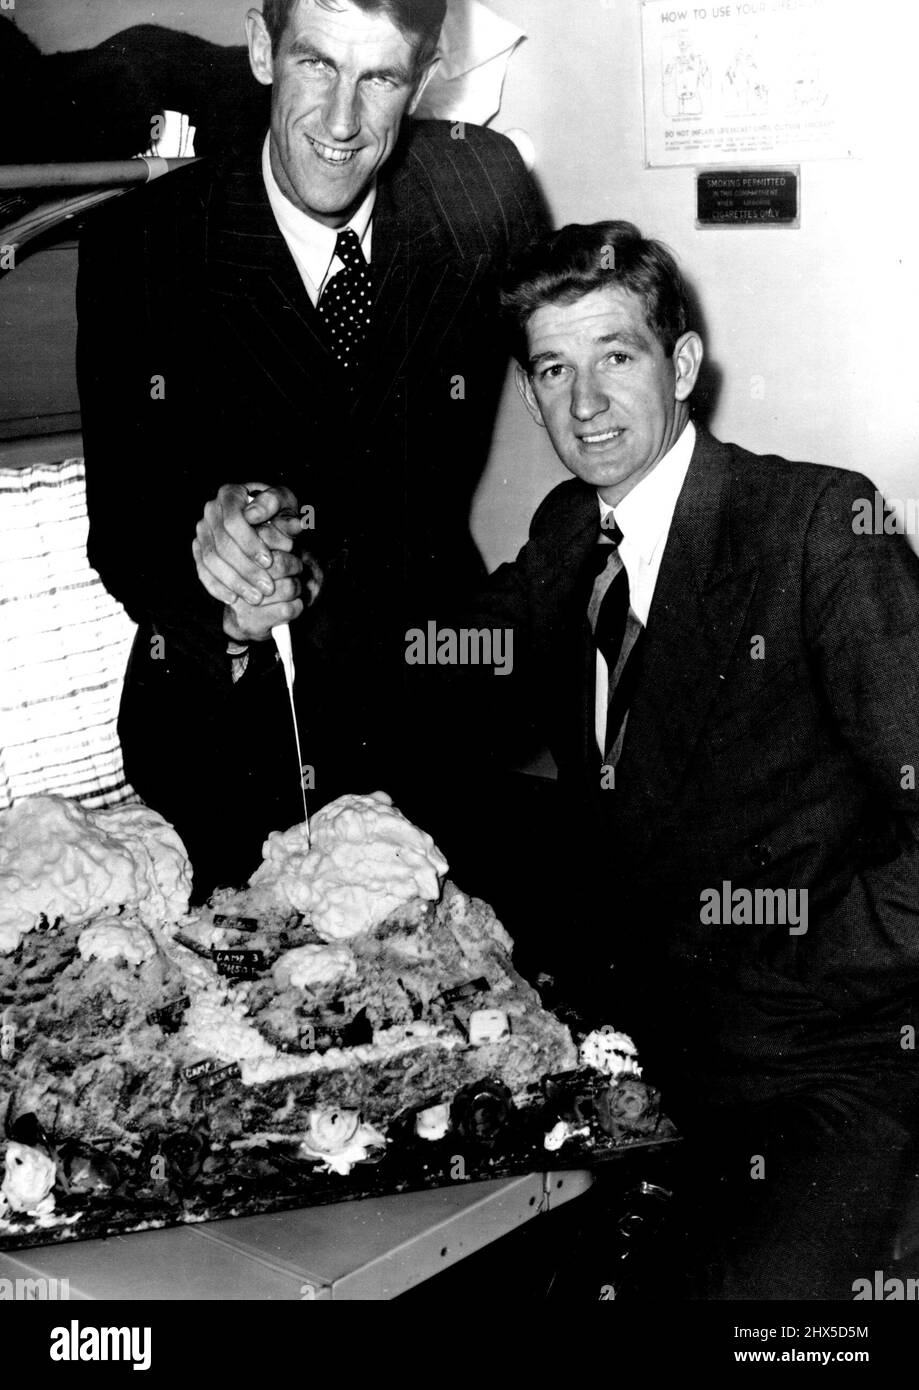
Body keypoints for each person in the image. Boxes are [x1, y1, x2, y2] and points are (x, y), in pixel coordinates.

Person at [425, 220, 919, 1299]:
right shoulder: (571, 534)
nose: (585, 403)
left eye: (616, 356)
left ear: (683, 366)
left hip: (821, 1064)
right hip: (643, 1052)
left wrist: (793, 951)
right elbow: (449, 674)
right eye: (553, 369)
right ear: (526, 392)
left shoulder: (819, 530)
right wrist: (273, 606)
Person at [76, 0, 545, 896]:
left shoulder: (483, 188)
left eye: (379, 78)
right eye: (316, 65)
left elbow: (570, 355)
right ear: (261, 47)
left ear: (427, 71)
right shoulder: (143, 244)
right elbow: (124, 530)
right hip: (226, 737)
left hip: (435, 718)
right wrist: (218, 574)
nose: (341, 123)